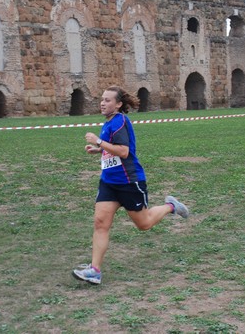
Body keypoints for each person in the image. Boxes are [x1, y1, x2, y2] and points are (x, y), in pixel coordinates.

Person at [72, 85, 189, 284]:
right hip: (109, 183)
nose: (102, 103)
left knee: (144, 224)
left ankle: (171, 206)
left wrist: (99, 142)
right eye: (102, 99)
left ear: (118, 104)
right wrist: (99, 150)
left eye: (108, 100)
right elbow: (114, 149)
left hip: (129, 182)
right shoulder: (109, 122)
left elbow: (124, 151)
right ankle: (95, 270)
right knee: (100, 223)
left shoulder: (120, 122)